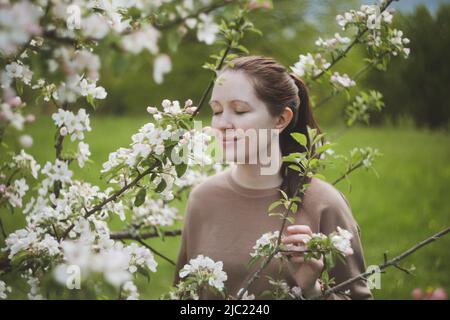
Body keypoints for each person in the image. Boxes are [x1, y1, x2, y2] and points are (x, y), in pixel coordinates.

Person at [173, 55, 373, 300]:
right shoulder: (202, 199)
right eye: (216, 111)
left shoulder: (325, 204)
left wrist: (312, 291)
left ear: (281, 120)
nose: (222, 124)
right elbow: (182, 296)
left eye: (239, 110)